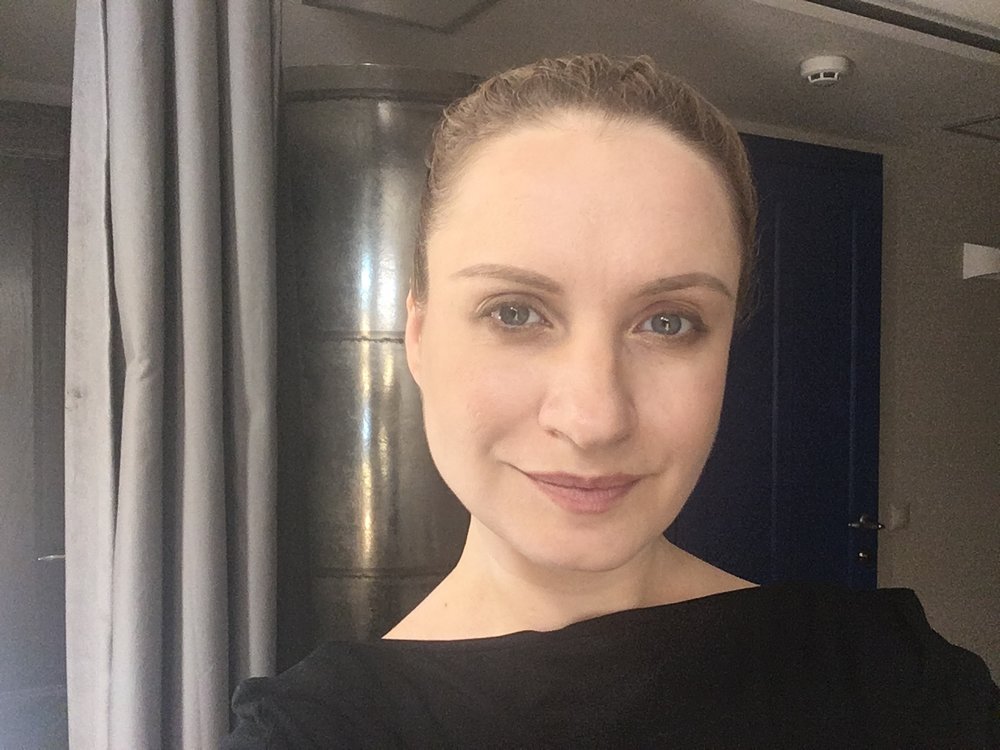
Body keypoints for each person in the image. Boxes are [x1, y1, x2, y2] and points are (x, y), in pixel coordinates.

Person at [225, 54, 998, 748]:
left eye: (668, 323)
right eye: (515, 312)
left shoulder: (888, 680)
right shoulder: (318, 733)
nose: (594, 419)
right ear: (418, 337)